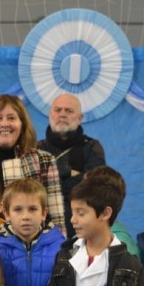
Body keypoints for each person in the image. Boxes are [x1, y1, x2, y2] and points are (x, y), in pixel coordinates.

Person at [0, 94, 65, 236]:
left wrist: (56, 247)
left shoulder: (44, 160)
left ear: (22, 124)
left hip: (31, 245)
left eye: (11, 118)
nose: (4, 124)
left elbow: (56, 219)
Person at [37, 94, 106, 235]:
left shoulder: (92, 147)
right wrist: (70, 173)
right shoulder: (36, 149)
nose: (62, 114)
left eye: (69, 111)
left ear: (80, 118)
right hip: (42, 229)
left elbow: (93, 189)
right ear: (50, 114)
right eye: (58, 110)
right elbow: (34, 190)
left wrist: (51, 178)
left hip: (82, 231)